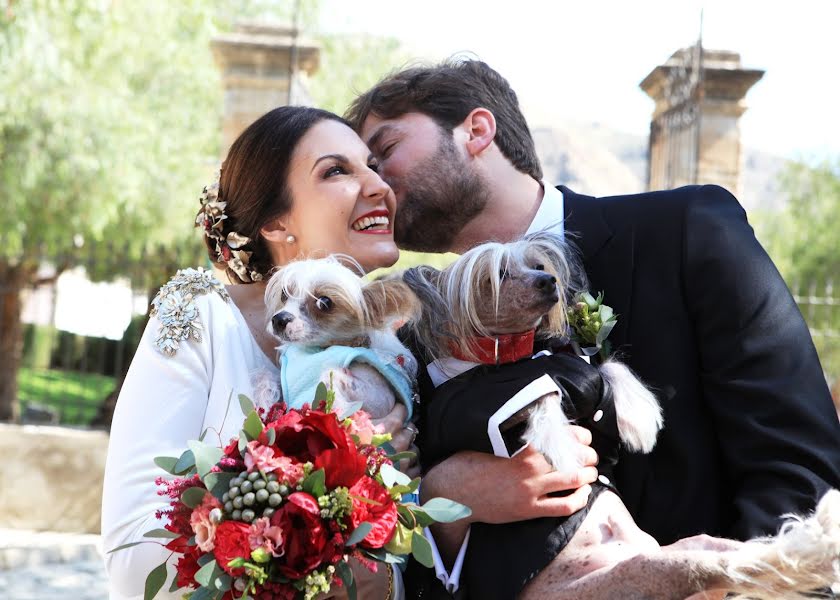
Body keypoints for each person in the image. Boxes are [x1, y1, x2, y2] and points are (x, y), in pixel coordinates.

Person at [345, 59, 840, 597]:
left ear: (477, 131)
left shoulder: (685, 232)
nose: (373, 183)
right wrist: (442, 502)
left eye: (384, 152)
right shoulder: (409, 341)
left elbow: (799, 470)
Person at [101, 106, 412, 600]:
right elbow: (133, 555)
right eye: (337, 170)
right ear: (274, 223)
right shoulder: (201, 316)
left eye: (373, 165)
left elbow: (410, 560)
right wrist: (303, 509)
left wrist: (384, 582)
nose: (378, 185)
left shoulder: (397, 351)